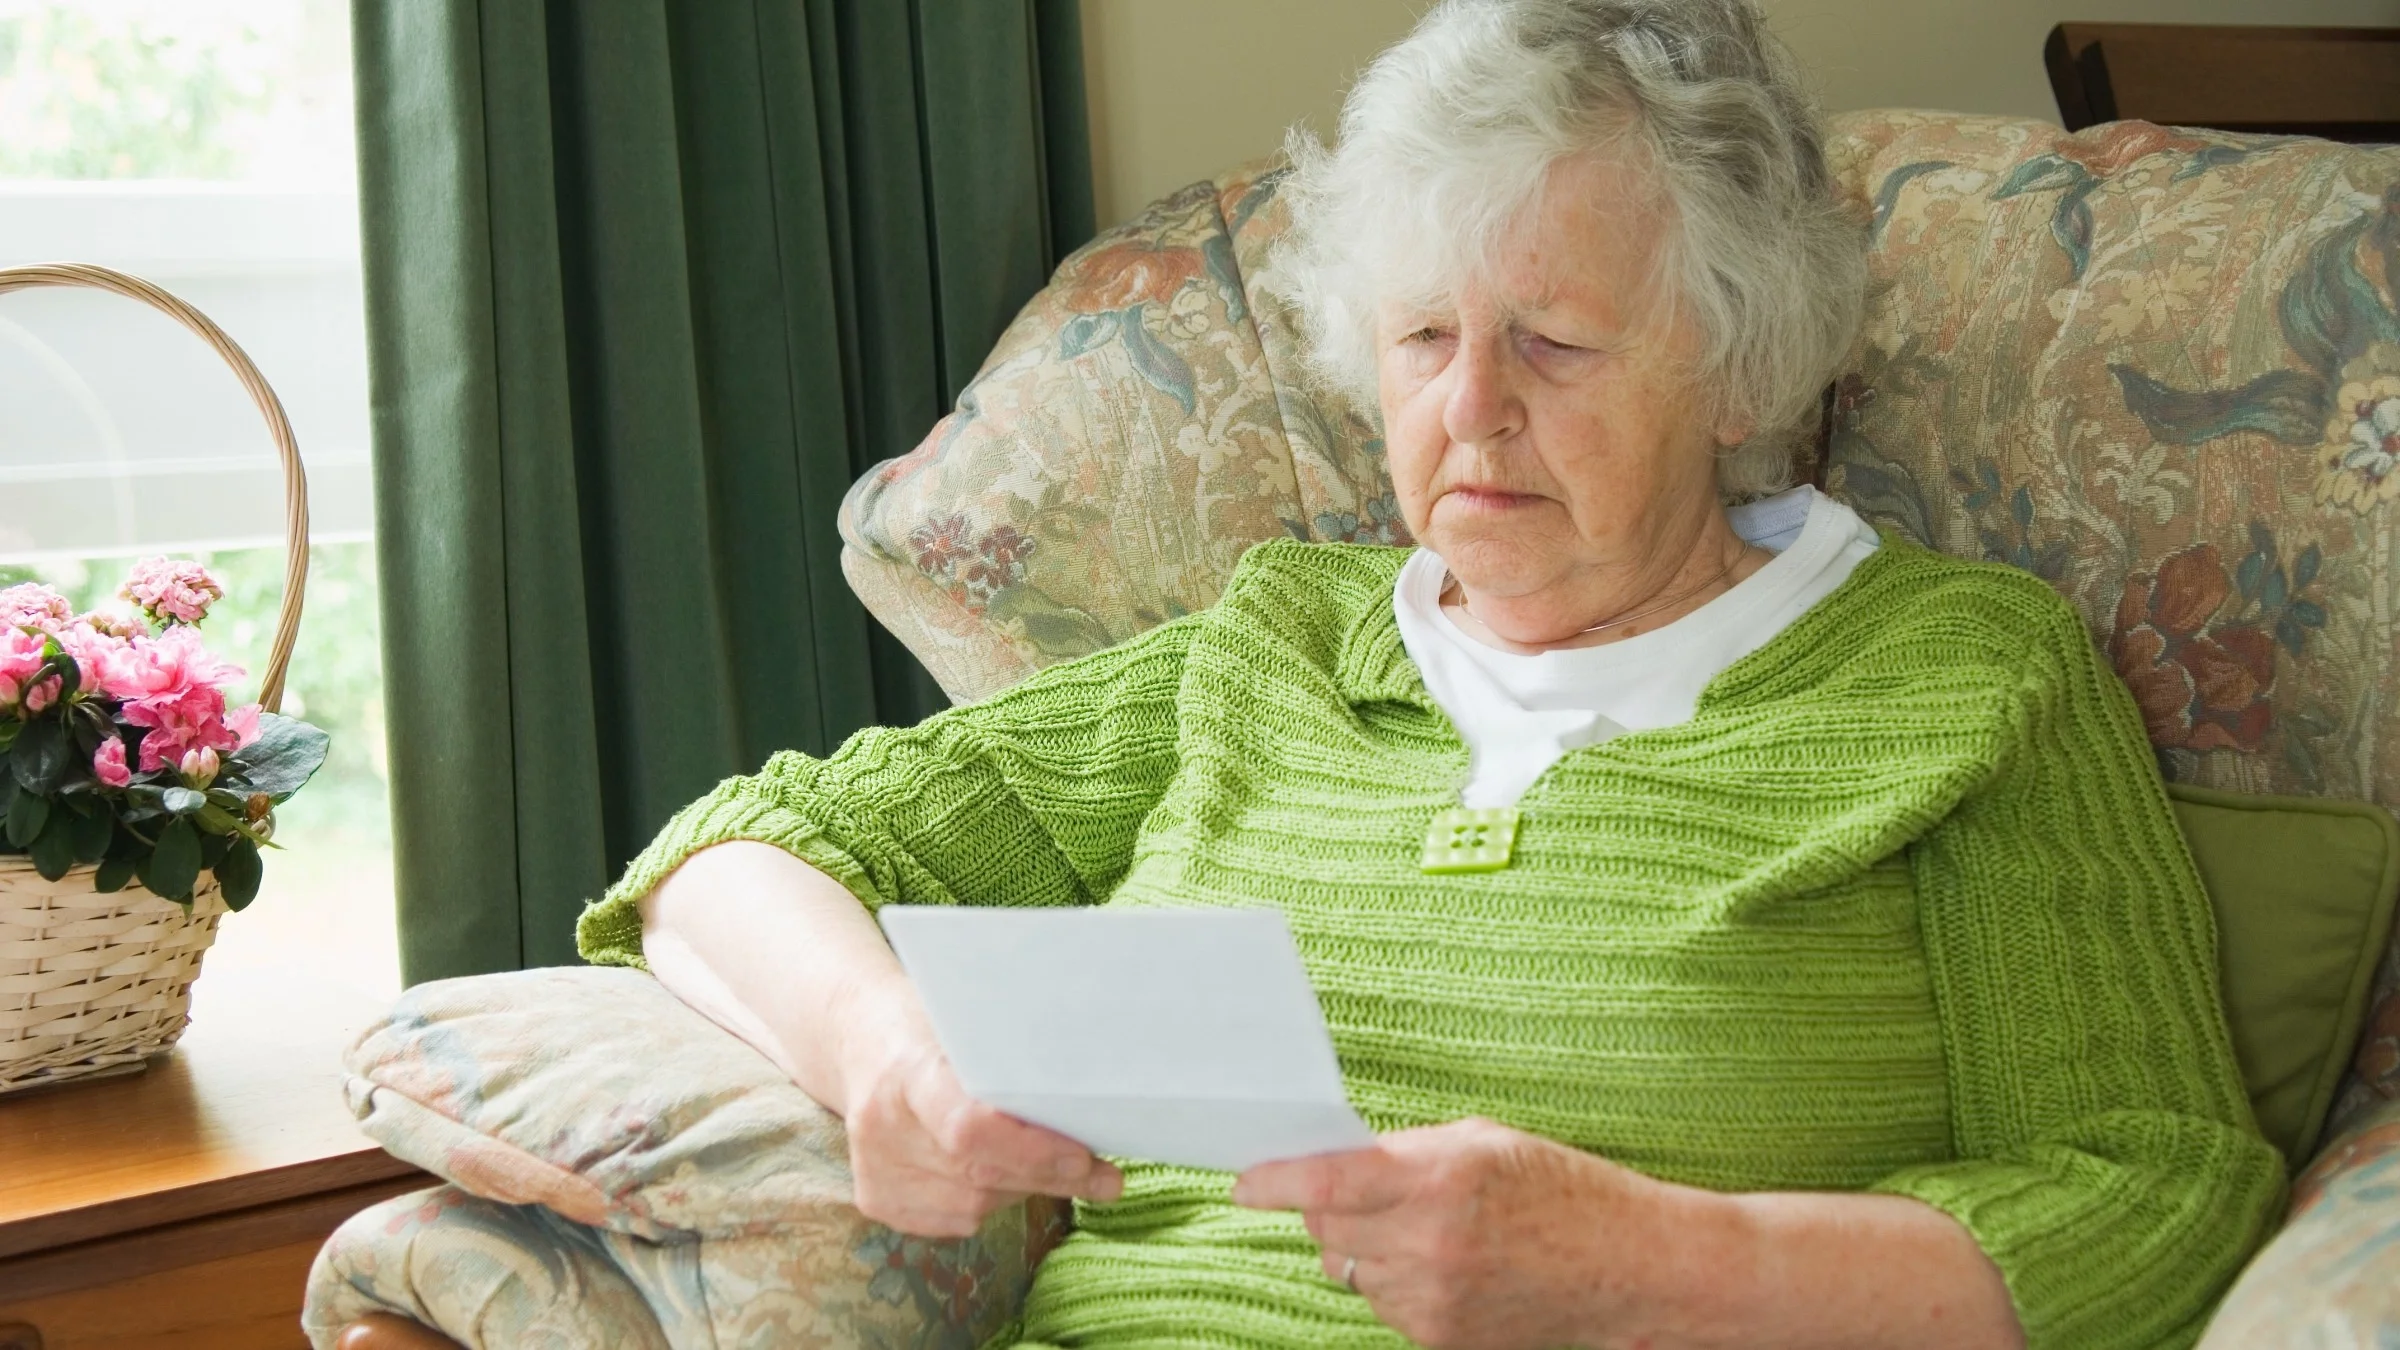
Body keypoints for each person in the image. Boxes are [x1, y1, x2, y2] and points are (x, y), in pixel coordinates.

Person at [574, 1, 2283, 1346]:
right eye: (1420, 338)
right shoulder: (1275, 648)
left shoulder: (1962, 684)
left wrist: (1657, 1263)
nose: (1470, 411)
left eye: (1551, 341)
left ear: (1742, 364)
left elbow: (2157, 1199)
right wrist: (887, 1060)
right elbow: (739, 855)